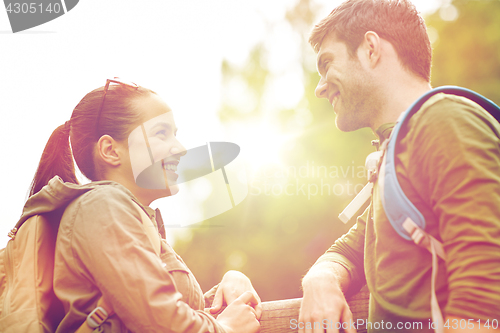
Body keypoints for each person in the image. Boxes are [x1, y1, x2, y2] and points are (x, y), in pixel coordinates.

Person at [298, 1, 500, 332]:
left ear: (370, 49)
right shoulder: (402, 151)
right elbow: (350, 250)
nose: (320, 88)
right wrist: (320, 279)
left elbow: (485, 289)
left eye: (327, 63)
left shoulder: (442, 122)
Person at [22, 78, 261, 332]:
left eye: (175, 135)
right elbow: (160, 323)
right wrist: (225, 329)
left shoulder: (125, 217)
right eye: (161, 133)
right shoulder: (102, 207)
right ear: (111, 151)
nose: (180, 149)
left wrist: (229, 286)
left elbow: (158, 310)